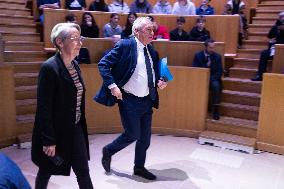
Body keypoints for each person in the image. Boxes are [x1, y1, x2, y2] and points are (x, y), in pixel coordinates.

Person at [95, 16, 168, 180]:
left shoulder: (151, 50)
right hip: (129, 100)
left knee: (145, 139)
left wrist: (161, 80)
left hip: (147, 100)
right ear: (136, 31)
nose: (152, 33)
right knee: (133, 134)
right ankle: (109, 150)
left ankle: (139, 167)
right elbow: (103, 64)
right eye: (148, 30)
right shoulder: (125, 45)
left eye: (153, 30)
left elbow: (157, 72)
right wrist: (112, 86)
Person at [31, 23, 94, 189]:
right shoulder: (49, 68)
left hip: (75, 127)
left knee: (83, 170)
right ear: (60, 42)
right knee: (46, 169)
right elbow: (44, 108)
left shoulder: (75, 65)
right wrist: (49, 140)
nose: (80, 43)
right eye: (75, 39)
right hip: (56, 131)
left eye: (80, 39)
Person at [192, 39, 223, 120]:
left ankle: (216, 109)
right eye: (210, 47)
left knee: (216, 85)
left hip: (213, 78)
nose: (212, 49)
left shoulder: (217, 56)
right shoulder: (198, 56)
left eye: (213, 47)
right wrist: (206, 66)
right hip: (200, 78)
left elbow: (220, 71)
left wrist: (210, 79)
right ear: (206, 47)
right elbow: (195, 69)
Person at [251, 12, 284, 81]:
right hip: (275, 49)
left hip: (282, 50)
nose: (282, 19)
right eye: (281, 18)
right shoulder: (277, 27)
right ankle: (260, 75)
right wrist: (276, 27)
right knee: (264, 53)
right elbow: (269, 36)